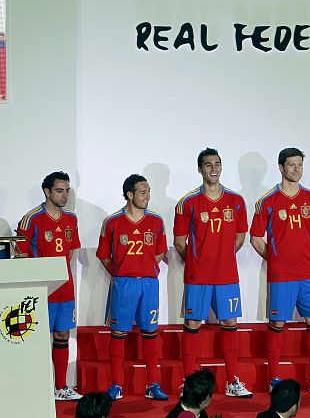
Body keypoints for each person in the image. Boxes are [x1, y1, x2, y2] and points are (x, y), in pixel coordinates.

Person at [250, 148, 310, 395]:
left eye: (300, 165)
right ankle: (274, 377)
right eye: (291, 165)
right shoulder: (267, 201)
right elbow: (255, 238)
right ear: (281, 168)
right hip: (281, 276)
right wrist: (276, 259)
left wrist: (304, 253)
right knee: (277, 322)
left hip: (309, 273)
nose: (296, 170)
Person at [174, 148, 252, 397]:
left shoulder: (236, 201)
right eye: (208, 165)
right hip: (198, 277)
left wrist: (224, 256)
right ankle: (188, 382)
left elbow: (240, 236)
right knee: (193, 322)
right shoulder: (188, 202)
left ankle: (232, 381)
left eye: (217, 164)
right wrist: (197, 262)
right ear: (200, 169)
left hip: (227, 275)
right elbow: (179, 241)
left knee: (230, 322)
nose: (214, 169)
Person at [97, 174, 169, 401]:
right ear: (130, 194)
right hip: (124, 284)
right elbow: (104, 256)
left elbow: (159, 252)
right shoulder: (112, 222)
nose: (148, 196)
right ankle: (116, 385)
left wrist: (144, 269)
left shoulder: (156, 221)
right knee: (118, 334)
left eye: (149, 192)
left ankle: (152, 385)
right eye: (143, 192)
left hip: (148, 284)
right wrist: (122, 273)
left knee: (150, 333)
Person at [15, 171, 83, 400]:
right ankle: (38, 387)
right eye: (59, 191)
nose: (64, 196)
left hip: (65, 288)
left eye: (67, 191)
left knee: (62, 335)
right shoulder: (31, 219)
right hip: (40, 292)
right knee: (38, 337)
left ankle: (61, 387)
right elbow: (21, 254)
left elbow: (71, 252)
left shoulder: (71, 219)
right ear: (47, 191)